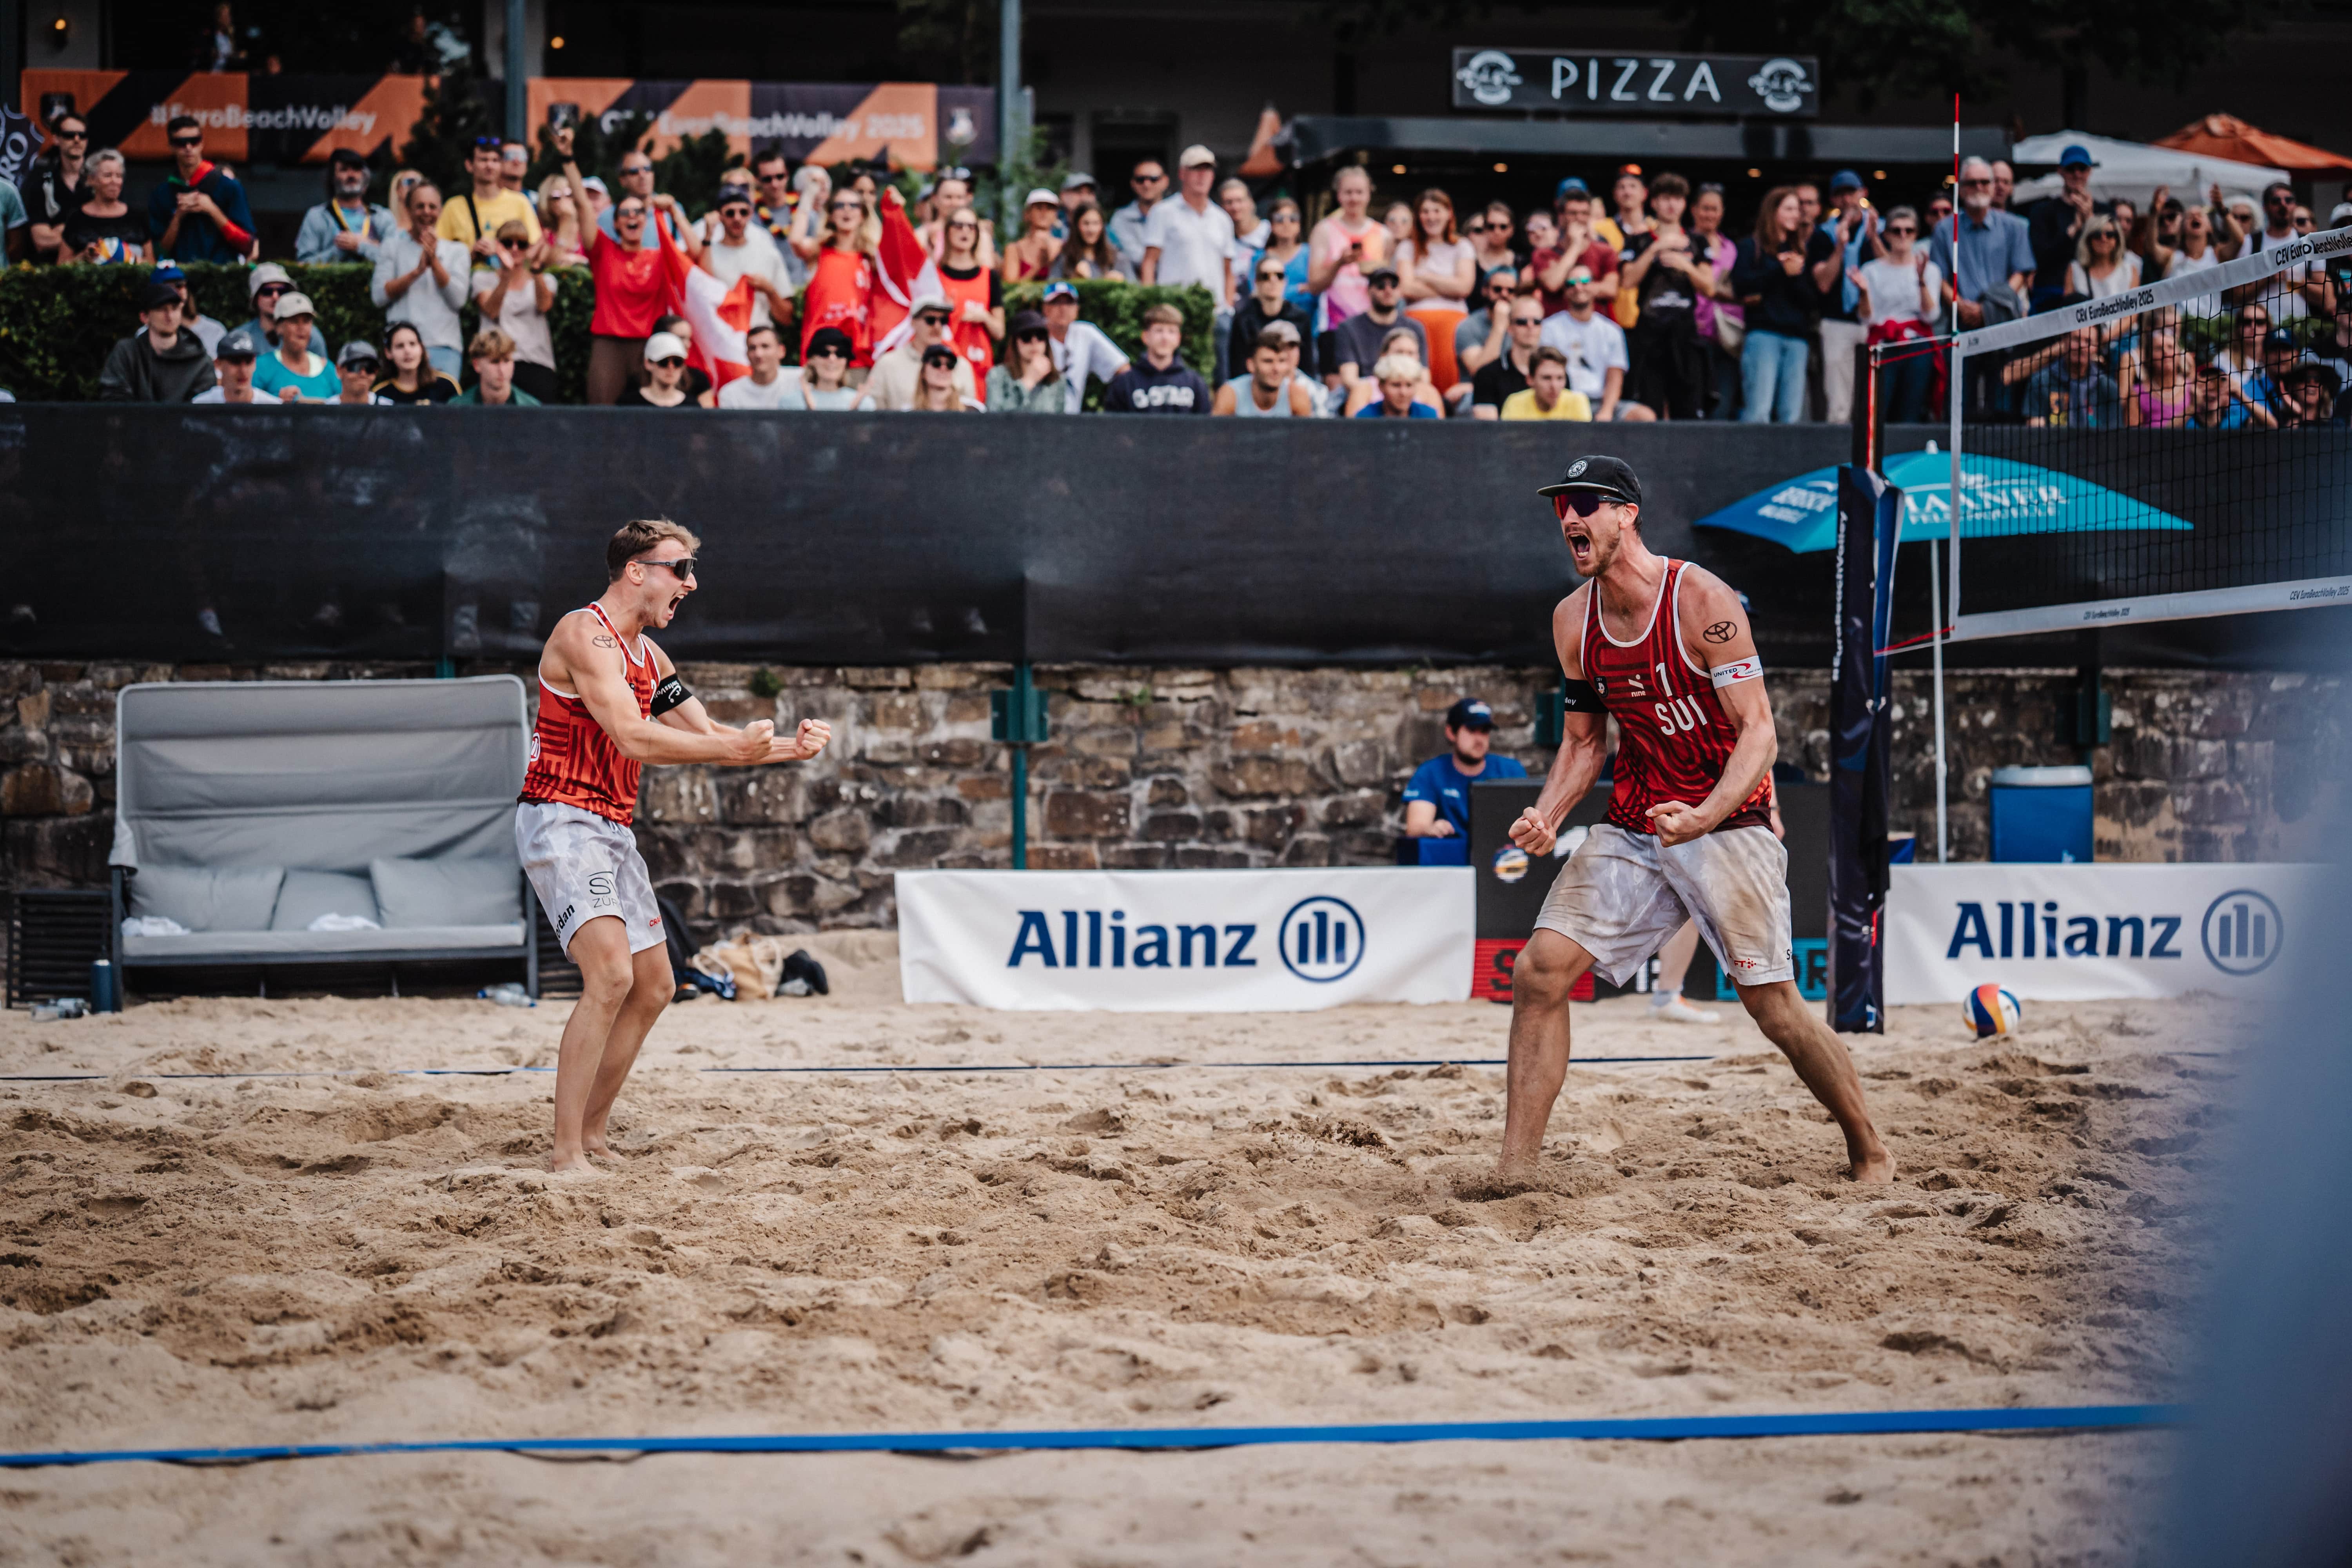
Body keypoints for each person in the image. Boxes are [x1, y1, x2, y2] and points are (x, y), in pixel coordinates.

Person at [1499, 455, 1892, 1186]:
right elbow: (1586, 742)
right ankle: (1516, 1170)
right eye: (1562, 508)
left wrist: (1707, 814)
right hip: (1638, 820)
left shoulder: (1701, 600)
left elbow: (1760, 734)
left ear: (1628, 514)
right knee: (1538, 973)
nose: (1570, 519)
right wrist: (1548, 814)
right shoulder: (1571, 621)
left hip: (1728, 820)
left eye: (1586, 505)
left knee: (1773, 1007)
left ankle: (1870, 1148)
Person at [518, 519, 832, 1172]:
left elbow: (715, 735)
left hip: (609, 826)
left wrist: (786, 750)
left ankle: (594, 1136)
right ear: (637, 571)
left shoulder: (652, 659)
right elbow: (635, 738)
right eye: (679, 569)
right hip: (559, 818)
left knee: (656, 985)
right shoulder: (584, 635)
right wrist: (728, 744)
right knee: (610, 973)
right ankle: (564, 1152)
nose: (692, 583)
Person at [568, 147, 679, 404]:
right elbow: (584, 205)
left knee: (655, 417)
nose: (632, 217)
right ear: (615, 223)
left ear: (646, 220)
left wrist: (675, 213)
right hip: (610, 345)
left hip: (650, 346)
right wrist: (567, 159)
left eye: (638, 212)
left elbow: (696, 257)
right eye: (625, 213)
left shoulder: (660, 256)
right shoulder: (604, 251)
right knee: (602, 417)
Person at [1617, 172, 1714, 420]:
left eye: (1678, 199)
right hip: (1649, 335)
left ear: (1685, 204)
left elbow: (1710, 288)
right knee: (1649, 407)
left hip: (1685, 334)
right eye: (1666, 198)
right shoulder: (1638, 241)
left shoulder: (1698, 241)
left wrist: (1687, 266)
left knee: (1689, 410)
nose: (1672, 205)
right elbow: (1627, 282)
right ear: (1654, 203)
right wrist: (1655, 248)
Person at [1730, 186, 1831, 425]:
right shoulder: (1750, 247)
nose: (1796, 215)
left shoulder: (1800, 251)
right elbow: (1741, 287)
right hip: (1763, 335)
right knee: (1758, 410)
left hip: (1797, 339)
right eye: (1789, 209)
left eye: (1798, 210)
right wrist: (1780, 271)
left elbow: (1812, 302)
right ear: (1773, 211)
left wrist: (1795, 275)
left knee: (1791, 416)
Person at [1143, 145, 1239, 377]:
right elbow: (1149, 262)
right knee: (1177, 375)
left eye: (1207, 170)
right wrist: (1152, 306)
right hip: (1175, 312)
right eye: (1196, 169)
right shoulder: (1163, 212)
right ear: (1182, 174)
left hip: (1215, 314)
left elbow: (1228, 270)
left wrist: (1228, 308)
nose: (1202, 176)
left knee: (1219, 379)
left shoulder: (1222, 219)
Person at [1852, 206, 1944, 425]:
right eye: (1897, 230)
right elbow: (1866, 318)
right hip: (1883, 345)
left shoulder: (1931, 270)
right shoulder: (1871, 270)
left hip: (1916, 345)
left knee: (1911, 410)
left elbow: (1931, 316)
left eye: (1909, 231)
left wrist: (1920, 280)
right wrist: (1864, 292)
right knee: (1878, 410)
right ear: (1887, 235)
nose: (1903, 236)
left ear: (1916, 234)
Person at [372, 181, 470, 381]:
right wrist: (417, 272)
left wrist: (433, 261)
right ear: (408, 209)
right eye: (420, 206)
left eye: (432, 207)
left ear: (440, 211)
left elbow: (458, 300)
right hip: (402, 349)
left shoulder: (457, 251)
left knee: (444, 412)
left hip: (444, 348)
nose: (427, 212)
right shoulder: (392, 247)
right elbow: (379, 296)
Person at [1402, 699, 1528, 849]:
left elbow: (1528, 823)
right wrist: (1431, 829)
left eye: (1485, 732)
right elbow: (1416, 827)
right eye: (1472, 730)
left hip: (1503, 862)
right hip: (1451, 863)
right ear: (1451, 733)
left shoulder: (1512, 771)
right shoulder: (1430, 773)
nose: (1479, 739)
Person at [1813, 170, 1882, 425]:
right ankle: (1838, 454)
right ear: (1833, 200)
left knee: (1873, 398)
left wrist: (1874, 237)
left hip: (1875, 321)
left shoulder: (1882, 228)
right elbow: (1823, 284)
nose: (1847, 200)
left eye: (1851, 193)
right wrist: (1840, 247)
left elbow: (1891, 271)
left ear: (1862, 194)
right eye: (1840, 194)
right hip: (1838, 322)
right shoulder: (1824, 234)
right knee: (1839, 400)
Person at [1539, 267, 1647, 421]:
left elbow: (1615, 378)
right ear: (1565, 291)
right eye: (1571, 283)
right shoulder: (1549, 328)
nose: (1578, 287)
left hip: (1599, 401)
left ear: (1595, 286)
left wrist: (1607, 411)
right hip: (1563, 401)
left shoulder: (1612, 331)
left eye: (1584, 282)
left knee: (1644, 417)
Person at [472, 219, 561, 405]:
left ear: (529, 248)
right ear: (498, 246)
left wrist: (536, 270)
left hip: (536, 365)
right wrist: (506, 275)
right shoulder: (483, 278)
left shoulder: (546, 279)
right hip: (495, 364)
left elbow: (544, 305)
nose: (514, 249)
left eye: (521, 244)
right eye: (507, 243)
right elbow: (491, 311)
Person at [1396, 187, 1475, 392]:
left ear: (1449, 213)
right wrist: (1450, 286)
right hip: (1416, 320)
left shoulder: (1463, 246)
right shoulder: (1407, 247)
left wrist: (1427, 277)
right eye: (1425, 211)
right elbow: (1406, 288)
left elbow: (1465, 287)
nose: (1431, 217)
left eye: (1437, 211)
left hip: (1453, 323)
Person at [148, 117, 256, 263]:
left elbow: (248, 246)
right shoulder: (162, 194)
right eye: (181, 142)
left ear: (202, 143)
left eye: (194, 141)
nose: (188, 147)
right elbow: (159, 254)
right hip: (180, 280)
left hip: (221, 277)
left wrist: (212, 210)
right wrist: (178, 216)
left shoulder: (229, 187)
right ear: (171, 146)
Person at [99, 282, 218, 403]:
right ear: (145, 317)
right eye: (162, 309)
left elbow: (203, 409)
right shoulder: (127, 353)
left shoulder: (201, 362)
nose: (170, 315)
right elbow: (114, 399)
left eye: (175, 308)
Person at [699, 186, 794, 332]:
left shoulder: (768, 253)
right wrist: (708, 236)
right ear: (720, 216)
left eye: (743, 212)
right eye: (730, 213)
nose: (737, 218)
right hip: (722, 336)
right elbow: (702, 293)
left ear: (751, 214)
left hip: (759, 338)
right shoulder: (709, 252)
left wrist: (770, 291)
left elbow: (787, 318)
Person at [800, 187, 876, 370]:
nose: (847, 210)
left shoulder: (872, 258)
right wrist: (808, 195)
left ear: (863, 215)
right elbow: (796, 240)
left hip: (858, 357)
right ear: (831, 215)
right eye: (840, 205)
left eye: (854, 205)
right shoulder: (819, 251)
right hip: (819, 353)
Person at [1326, 266, 1426, 403]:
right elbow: (1349, 379)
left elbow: (1424, 377)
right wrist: (1381, 397)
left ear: (1400, 291)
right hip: (1364, 396)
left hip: (1407, 394)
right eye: (1381, 286)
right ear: (1368, 291)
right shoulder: (1348, 328)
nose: (1388, 290)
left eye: (1394, 285)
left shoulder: (1415, 328)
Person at [866, 293, 981, 410]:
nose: (937, 326)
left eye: (943, 321)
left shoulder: (962, 366)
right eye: (930, 320)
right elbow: (872, 411)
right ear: (913, 322)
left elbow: (969, 417)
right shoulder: (888, 364)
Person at [1307, 165, 1387, 330]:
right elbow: (1314, 286)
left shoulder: (1384, 234)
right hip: (1334, 325)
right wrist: (1339, 264)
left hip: (1375, 325)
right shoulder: (1324, 230)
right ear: (1339, 195)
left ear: (1369, 194)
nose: (1354, 198)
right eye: (1348, 192)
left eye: (1359, 192)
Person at [938, 208, 1005, 401]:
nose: (965, 232)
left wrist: (984, 316)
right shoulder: (935, 276)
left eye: (971, 227)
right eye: (958, 226)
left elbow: (1000, 332)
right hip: (944, 367)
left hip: (980, 368)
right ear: (948, 231)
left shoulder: (989, 276)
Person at [1689, 183, 1743, 419]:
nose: (1709, 214)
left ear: (1722, 213)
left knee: (1723, 402)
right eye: (1705, 208)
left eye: (1715, 209)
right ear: (1694, 210)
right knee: (1694, 401)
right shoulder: (1685, 243)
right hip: (1694, 334)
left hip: (1726, 338)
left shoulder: (1732, 249)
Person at [439, 135, 542, 260]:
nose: (490, 166)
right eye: (483, 160)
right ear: (469, 165)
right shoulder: (453, 207)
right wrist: (470, 255)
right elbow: (441, 252)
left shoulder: (520, 202)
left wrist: (501, 251)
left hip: (507, 277)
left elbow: (536, 245)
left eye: (495, 161)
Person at [1531, 178, 1618, 319]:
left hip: (1594, 328)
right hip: (1556, 332)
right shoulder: (1543, 254)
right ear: (1561, 217)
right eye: (1573, 213)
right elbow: (1553, 284)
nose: (1579, 218)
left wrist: (1569, 282)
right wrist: (1575, 247)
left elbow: (1611, 290)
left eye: (1584, 213)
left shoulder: (1605, 251)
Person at [2024, 145, 2097, 310]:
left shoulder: (2103, 211)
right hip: (2051, 296)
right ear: (2061, 171)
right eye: (2071, 169)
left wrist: (2091, 221)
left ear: (2089, 171)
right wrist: (2074, 228)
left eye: (2082, 168)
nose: (2077, 174)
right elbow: (2042, 256)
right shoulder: (2042, 211)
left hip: (2092, 292)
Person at [2007, 326, 2124, 427]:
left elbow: (2113, 440)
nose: (2081, 346)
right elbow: (2036, 437)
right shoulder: (2040, 382)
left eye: (2088, 341)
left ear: (2097, 347)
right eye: (2076, 339)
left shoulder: (2109, 388)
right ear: (2064, 341)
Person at [1103, 303, 1209, 414]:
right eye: (1159, 330)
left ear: (1179, 339)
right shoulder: (1125, 383)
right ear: (1145, 336)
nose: (1165, 338)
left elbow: (1204, 427)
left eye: (1171, 331)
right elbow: (1113, 427)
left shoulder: (1195, 383)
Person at [1041, 279, 1130, 412]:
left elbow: (1123, 369)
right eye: (1056, 302)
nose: (1063, 308)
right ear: (1045, 308)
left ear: (1077, 309)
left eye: (1069, 303)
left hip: (1073, 422)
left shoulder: (1086, 333)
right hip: (1037, 419)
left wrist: (1114, 403)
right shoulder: (1033, 335)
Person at [296, 147, 396, 265]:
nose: (351, 175)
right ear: (332, 177)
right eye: (344, 170)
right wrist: (341, 249)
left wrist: (361, 246)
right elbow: (303, 264)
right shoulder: (317, 216)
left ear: (365, 177)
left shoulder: (383, 216)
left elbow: (395, 259)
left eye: (356, 169)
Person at [1228, 252, 1318, 378]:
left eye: (1279, 276)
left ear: (1285, 281)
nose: (1273, 280)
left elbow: (1308, 368)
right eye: (1266, 276)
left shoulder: (1301, 318)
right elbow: (1238, 369)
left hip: (1293, 384)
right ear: (1256, 283)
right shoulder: (1243, 320)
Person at [58, 149, 148, 265]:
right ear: (91, 180)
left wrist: (130, 259)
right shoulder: (77, 218)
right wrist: (83, 257)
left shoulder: (137, 217)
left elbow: (151, 262)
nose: (114, 181)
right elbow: (61, 265)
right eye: (108, 175)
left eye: (119, 176)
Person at [250, 292, 338, 403]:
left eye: (306, 322)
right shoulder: (260, 367)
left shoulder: (328, 369)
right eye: (294, 321)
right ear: (279, 327)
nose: (301, 328)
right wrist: (276, 400)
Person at [25, 112, 89, 263]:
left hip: (94, 272)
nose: (77, 140)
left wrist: (61, 230)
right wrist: (86, 235)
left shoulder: (99, 182)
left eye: (82, 135)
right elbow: (41, 241)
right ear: (56, 139)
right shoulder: (42, 184)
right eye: (69, 135)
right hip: (52, 275)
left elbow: (110, 236)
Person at [1470, 296, 1548, 419]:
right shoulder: (1487, 375)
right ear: (1510, 327)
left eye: (1537, 322)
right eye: (1522, 322)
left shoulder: (1555, 374)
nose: (1530, 326)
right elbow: (1486, 430)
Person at [1214, 332, 1321, 417]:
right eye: (1268, 361)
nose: (1276, 369)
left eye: (1282, 361)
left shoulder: (1296, 395)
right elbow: (1214, 439)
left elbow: (1309, 441)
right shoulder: (1231, 394)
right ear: (1251, 365)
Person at [1598, 164, 1651, 330]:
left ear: (1645, 193)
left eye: (1633, 187)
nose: (1627, 192)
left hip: (1650, 319)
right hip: (1610, 319)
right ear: (1614, 194)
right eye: (1621, 187)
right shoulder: (1599, 229)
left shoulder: (1657, 230)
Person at [2123, 312, 2195, 428]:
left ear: (2178, 354)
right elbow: (2132, 440)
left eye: (2170, 347)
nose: (2166, 352)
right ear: (2149, 357)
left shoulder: (2192, 390)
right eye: (2159, 349)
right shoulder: (2137, 394)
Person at [986, 310, 1067, 413]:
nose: (1034, 342)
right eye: (1026, 337)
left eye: (1040, 336)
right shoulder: (997, 375)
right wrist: (1028, 382)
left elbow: (1059, 422)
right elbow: (994, 418)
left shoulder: (1057, 380)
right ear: (1016, 342)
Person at [1454, 265, 1521, 389]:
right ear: (1485, 290)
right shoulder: (1468, 326)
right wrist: (1499, 326)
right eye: (1497, 289)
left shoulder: (1523, 323)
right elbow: (1480, 372)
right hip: (1478, 392)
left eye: (1510, 291)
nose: (1504, 294)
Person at [374, 321, 460, 404]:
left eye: (413, 344)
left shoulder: (446, 386)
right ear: (388, 352)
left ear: (422, 348)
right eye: (400, 346)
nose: (407, 351)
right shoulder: (380, 394)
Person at [451, 327, 541, 406]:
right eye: (495, 362)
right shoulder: (456, 409)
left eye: (507, 361)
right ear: (477, 365)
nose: (502, 370)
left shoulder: (532, 408)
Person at [1499, 346, 1592, 421]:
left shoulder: (1578, 401)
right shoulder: (1515, 403)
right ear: (1530, 380)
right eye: (1547, 378)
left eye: (1560, 378)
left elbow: (1583, 443)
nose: (1554, 386)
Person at [717, 323, 797, 410]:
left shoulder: (800, 380)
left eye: (765, 346)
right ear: (747, 354)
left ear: (782, 351)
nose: (759, 354)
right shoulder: (730, 393)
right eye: (752, 348)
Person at [1048, 201, 1133, 281]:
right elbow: (1051, 289)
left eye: (1096, 223)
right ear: (1077, 226)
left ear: (1102, 227)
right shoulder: (1065, 258)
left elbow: (1136, 290)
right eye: (1086, 223)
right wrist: (1075, 278)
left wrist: (1122, 282)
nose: (1091, 230)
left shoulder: (1118, 258)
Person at [1256, 197, 1313, 315]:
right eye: (1280, 219)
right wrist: (1300, 288)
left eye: (1293, 219)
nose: (1286, 224)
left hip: (1307, 322)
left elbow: (1316, 291)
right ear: (1271, 224)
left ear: (1299, 224)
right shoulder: (1259, 258)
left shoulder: (1310, 254)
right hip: (1268, 321)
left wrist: (1276, 291)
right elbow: (1256, 294)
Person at [1109, 158, 1167, 271]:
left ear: (1165, 181)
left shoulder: (1176, 216)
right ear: (1133, 183)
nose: (1147, 184)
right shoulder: (1120, 219)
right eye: (1141, 180)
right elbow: (1133, 257)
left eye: (1154, 179)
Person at [191, 329, 276, 405]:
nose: (243, 371)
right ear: (218, 364)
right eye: (235, 362)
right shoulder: (201, 406)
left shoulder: (273, 408)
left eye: (249, 362)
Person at [617, 331, 697, 409]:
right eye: (663, 362)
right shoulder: (629, 405)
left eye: (677, 362)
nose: (671, 368)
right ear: (648, 363)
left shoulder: (693, 407)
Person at [790, 327, 864, 410]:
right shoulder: (791, 403)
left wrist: (856, 416)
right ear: (811, 360)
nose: (832, 359)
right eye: (824, 353)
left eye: (840, 353)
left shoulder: (864, 404)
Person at [2187, 360, 2272, 430]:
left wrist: (2242, 397)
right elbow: (2174, 429)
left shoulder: (2236, 421)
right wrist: (2192, 406)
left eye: (2217, 385)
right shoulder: (2187, 423)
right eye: (2204, 385)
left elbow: (2272, 426)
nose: (2210, 390)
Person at [1003, 189, 1064, 283]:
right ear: (1027, 214)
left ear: (1055, 215)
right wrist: (1038, 267)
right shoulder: (1014, 249)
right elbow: (1010, 289)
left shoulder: (1064, 247)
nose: (1044, 213)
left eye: (1049, 209)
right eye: (1039, 208)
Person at [1354, 354, 1438, 419]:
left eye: (1409, 385)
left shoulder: (1428, 416)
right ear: (1381, 386)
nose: (1403, 393)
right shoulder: (1365, 418)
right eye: (1396, 385)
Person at [907, 343, 976, 412]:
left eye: (950, 364)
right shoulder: (908, 417)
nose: (943, 368)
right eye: (937, 363)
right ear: (923, 372)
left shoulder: (972, 412)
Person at [1468, 202, 1519, 288]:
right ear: (1484, 228)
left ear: (1512, 230)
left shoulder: (1521, 263)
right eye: (1491, 227)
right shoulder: (1471, 262)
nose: (1497, 232)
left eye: (1503, 227)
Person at [332, 340, 390, 406]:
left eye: (370, 368)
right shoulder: (325, 409)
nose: (363, 374)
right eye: (355, 367)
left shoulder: (390, 410)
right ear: (339, 370)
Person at [1220, 177, 1268, 254]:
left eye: (1240, 201)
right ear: (1222, 207)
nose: (1235, 207)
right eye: (1229, 202)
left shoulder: (1269, 231)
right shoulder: (1221, 238)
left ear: (1251, 202)